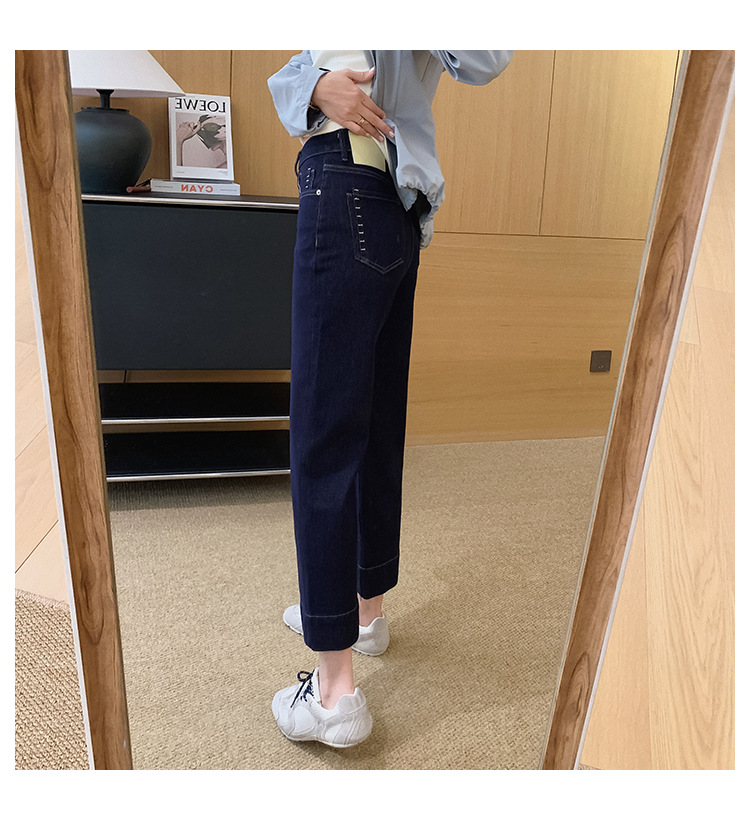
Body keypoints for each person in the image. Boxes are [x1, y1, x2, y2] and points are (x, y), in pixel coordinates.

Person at [267, 50, 513, 748]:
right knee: (372, 424)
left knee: (324, 434)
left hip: (346, 185)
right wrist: (314, 83)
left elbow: (483, 56)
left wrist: (314, 85)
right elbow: (300, 75)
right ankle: (365, 610)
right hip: (396, 204)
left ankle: (333, 693)